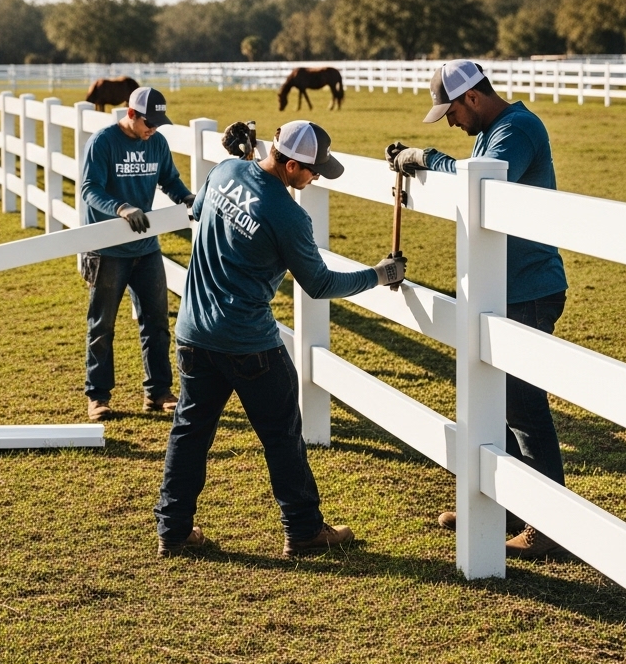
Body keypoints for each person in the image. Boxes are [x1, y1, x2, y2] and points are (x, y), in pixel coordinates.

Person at [154, 120, 407, 558]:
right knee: (283, 434)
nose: (315, 178)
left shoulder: (224, 171)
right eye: (312, 171)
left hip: (194, 331)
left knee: (190, 432)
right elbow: (320, 283)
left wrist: (243, 158)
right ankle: (304, 529)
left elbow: (199, 211)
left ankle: (173, 531)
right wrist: (379, 274)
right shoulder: (289, 216)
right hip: (248, 341)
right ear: (291, 165)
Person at [386, 59, 568, 559]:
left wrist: (428, 158)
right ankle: (505, 506)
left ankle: (545, 524)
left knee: (523, 405)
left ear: (472, 97)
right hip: (503, 285)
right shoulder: (495, 131)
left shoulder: (517, 129)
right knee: (498, 403)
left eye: (451, 111)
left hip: (528, 287)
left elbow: (477, 181)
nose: (449, 121)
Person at [80, 86, 195, 421]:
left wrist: (187, 199)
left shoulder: (156, 143)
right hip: (107, 250)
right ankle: (98, 396)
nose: (154, 129)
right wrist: (121, 207)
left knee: (157, 322)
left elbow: (169, 180)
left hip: (146, 248)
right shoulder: (103, 142)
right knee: (102, 325)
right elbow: (90, 188)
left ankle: (158, 392)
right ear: (130, 114)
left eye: (158, 123)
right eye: (149, 121)